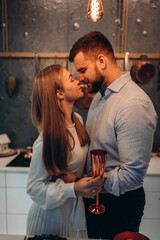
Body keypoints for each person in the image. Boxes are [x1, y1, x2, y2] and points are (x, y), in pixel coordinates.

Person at [69, 31, 157, 239]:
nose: (80, 78)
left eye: (82, 70)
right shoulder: (100, 98)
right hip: (96, 199)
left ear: (101, 61)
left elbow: (132, 175)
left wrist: (85, 184)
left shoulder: (133, 103)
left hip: (119, 207)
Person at [26, 64, 104, 239]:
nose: (78, 81)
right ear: (59, 93)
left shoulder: (78, 120)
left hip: (74, 214)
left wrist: (81, 181)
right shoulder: (48, 138)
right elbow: (33, 188)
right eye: (70, 78)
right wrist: (74, 188)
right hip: (49, 220)